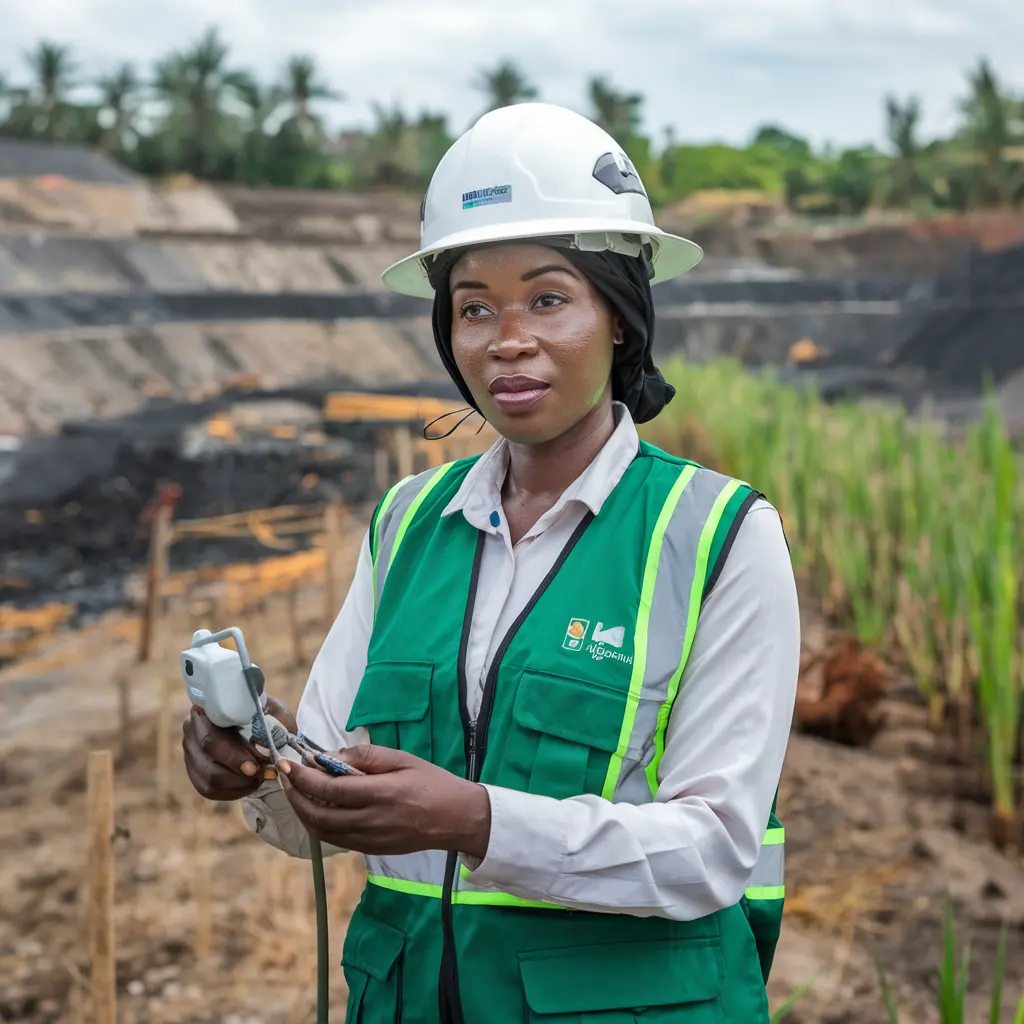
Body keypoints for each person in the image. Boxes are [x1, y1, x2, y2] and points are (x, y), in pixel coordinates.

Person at [182, 102, 800, 1023]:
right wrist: (262, 767)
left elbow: (713, 849)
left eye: (548, 299)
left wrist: (478, 820)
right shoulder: (408, 523)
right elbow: (332, 793)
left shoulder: (717, 536)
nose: (506, 339)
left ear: (620, 316)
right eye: (474, 308)